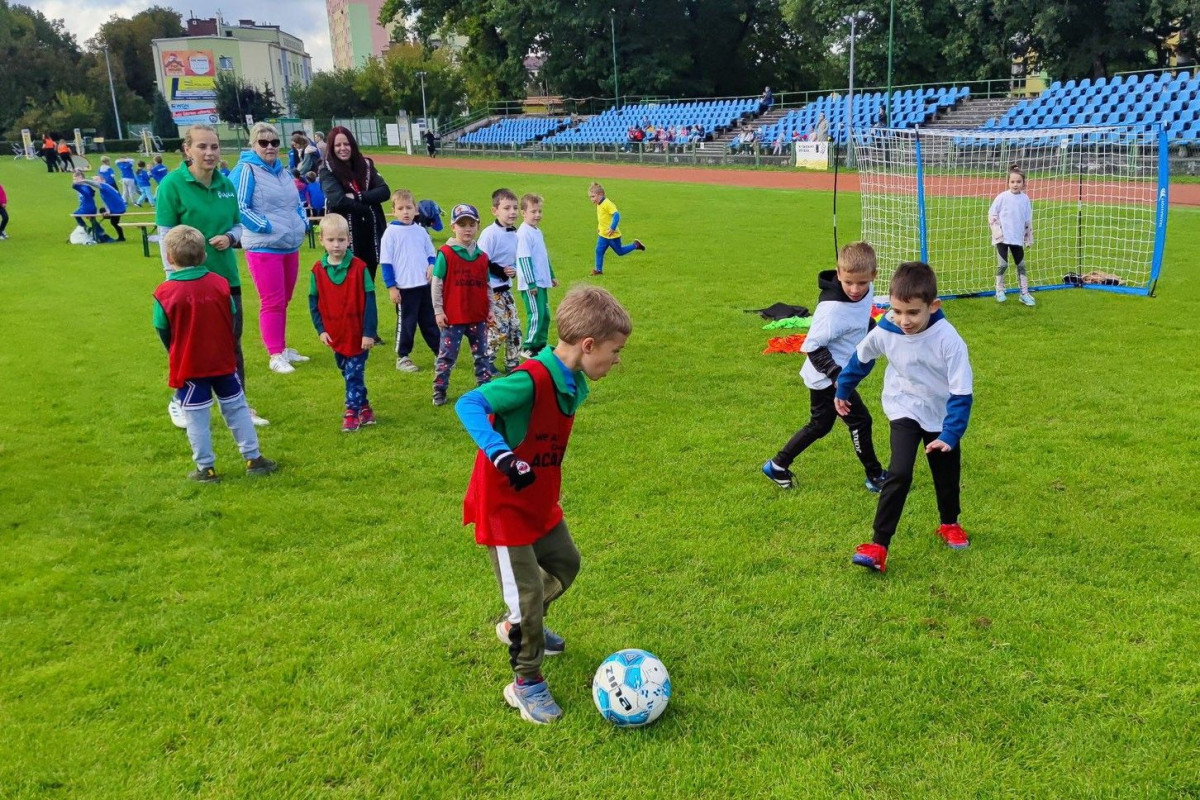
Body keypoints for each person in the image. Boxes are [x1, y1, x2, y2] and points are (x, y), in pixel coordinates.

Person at [455, 285, 632, 724]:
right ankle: (526, 680)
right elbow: (471, 403)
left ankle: (520, 624)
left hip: (540, 503)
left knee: (566, 565)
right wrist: (501, 453)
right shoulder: (531, 378)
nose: (617, 359)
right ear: (588, 345)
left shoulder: (571, 381)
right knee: (528, 596)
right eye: (615, 350)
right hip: (505, 509)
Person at [835, 261, 974, 574]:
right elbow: (861, 357)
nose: (903, 321)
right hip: (904, 406)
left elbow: (961, 394)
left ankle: (950, 523)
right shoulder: (887, 328)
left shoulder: (948, 340)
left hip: (942, 415)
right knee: (899, 472)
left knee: (946, 475)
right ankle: (878, 545)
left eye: (912, 313)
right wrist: (843, 388)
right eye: (897, 311)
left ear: (933, 306)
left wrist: (950, 435)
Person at [156, 123, 268, 428]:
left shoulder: (226, 185)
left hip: (224, 280)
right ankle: (180, 399)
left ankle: (240, 404)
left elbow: (237, 225)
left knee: (232, 343)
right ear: (187, 149)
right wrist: (173, 285)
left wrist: (230, 238)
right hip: (187, 285)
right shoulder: (171, 186)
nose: (209, 153)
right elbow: (166, 238)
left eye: (214, 147)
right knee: (188, 345)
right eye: (202, 147)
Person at [152, 226, 279, 483]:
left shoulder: (164, 293)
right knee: (237, 408)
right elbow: (232, 317)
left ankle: (206, 468)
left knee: (196, 417)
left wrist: (175, 351)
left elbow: (162, 328)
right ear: (204, 255)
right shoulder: (220, 284)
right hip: (223, 361)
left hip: (189, 365)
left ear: (169, 257)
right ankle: (254, 458)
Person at [763, 242, 887, 494]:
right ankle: (875, 476)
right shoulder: (831, 311)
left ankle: (777, 465)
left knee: (820, 425)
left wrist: (881, 334)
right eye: (848, 282)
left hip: (840, 374)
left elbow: (861, 320)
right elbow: (812, 347)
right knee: (861, 421)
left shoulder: (867, 289)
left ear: (873, 276)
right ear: (838, 274)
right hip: (828, 377)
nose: (855, 289)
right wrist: (837, 377)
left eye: (862, 283)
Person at [229, 121, 310, 375]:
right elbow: (240, 206)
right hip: (264, 247)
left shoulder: (282, 171)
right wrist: (265, 226)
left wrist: (302, 222)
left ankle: (282, 347)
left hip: (289, 244)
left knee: (284, 299)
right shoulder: (246, 170)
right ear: (253, 144)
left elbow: (295, 202)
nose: (270, 147)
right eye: (263, 142)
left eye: (274, 142)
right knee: (272, 301)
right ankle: (275, 354)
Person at [308, 213, 378, 432]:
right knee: (347, 372)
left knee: (353, 374)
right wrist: (321, 329)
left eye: (341, 239)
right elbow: (313, 302)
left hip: (357, 335)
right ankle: (365, 408)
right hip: (335, 334)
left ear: (349, 239)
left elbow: (370, 302)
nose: (336, 245)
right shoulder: (317, 271)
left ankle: (351, 412)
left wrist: (369, 332)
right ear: (321, 240)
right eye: (331, 240)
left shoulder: (359, 268)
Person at [431, 203, 493, 405]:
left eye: (471, 224)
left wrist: (490, 310)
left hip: (477, 316)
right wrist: (439, 311)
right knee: (447, 357)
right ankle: (439, 390)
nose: (467, 229)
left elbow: (487, 286)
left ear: (478, 226)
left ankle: (485, 388)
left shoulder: (482, 257)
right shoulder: (446, 254)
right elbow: (437, 283)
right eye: (462, 224)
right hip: (453, 317)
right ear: (453, 227)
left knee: (483, 355)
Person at [319, 126, 390, 286]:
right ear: (331, 147)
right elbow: (338, 199)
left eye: (346, 144)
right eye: (338, 145)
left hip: (370, 232)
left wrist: (358, 196)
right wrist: (366, 207)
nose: (343, 148)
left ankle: (367, 311)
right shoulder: (326, 169)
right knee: (347, 284)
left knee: (367, 281)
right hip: (343, 233)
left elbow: (384, 191)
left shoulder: (365, 165)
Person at [379, 189, 440, 373]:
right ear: (394, 210)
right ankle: (403, 356)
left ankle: (440, 353)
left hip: (424, 287)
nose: (405, 212)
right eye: (401, 208)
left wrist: (431, 265)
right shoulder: (390, 233)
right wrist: (391, 287)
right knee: (407, 323)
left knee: (430, 321)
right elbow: (386, 262)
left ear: (416, 210)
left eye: (409, 207)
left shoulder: (420, 231)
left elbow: (431, 254)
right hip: (404, 288)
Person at [477, 188, 523, 376]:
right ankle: (486, 361)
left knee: (515, 326)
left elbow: (517, 259)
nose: (512, 212)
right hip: (491, 290)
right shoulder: (490, 234)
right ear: (495, 211)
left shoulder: (516, 234)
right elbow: (480, 260)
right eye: (506, 208)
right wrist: (501, 271)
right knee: (499, 328)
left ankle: (513, 363)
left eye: (515, 208)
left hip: (506, 289)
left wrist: (513, 271)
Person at [515, 194, 557, 358]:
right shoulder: (523, 233)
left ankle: (540, 344)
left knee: (545, 314)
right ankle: (528, 346)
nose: (537, 215)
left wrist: (551, 275)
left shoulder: (537, 232)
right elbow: (524, 259)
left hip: (542, 282)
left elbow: (543, 256)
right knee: (536, 314)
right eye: (533, 211)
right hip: (531, 285)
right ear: (523, 213)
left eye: (539, 211)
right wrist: (531, 283)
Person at [989, 164, 1035, 305]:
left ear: (1023, 183)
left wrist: (1028, 237)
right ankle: (999, 290)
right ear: (1008, 183)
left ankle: (1024, 293)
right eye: (1012, 182)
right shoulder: (1002, 197)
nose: (1015, 184)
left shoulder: (1025, 199)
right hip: (1002, 238)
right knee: (1003, 264)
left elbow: (1028, 220)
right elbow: (992, 214)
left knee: (1021, 265)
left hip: (1017, 238)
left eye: (1018, 182)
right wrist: (998, 233)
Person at [588, 182, 645, 276]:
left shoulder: (607, 203)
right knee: (598, 251)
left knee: (620, 252)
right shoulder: (599, 204)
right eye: (590, 197)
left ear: (601, 195)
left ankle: (636, 245)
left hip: (612, 235)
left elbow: (616, 215)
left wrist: (612, 228)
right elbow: (602, 218)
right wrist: (599, 228)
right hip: (603, 235)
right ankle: (598, 270)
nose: (592, 199)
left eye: (593, 196)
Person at [93, 175, 127, 241]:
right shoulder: (103, 189)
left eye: (97, 180)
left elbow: (116, 199)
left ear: (103, 180)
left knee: (114, 222)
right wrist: (107, 211)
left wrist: (84, 181)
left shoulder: (104, 186)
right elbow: (106, 202)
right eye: (94, 180)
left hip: (118, 208)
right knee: (102, 210)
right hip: (114, 208)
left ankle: (122, 238)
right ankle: (121, 237)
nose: (95, 182)